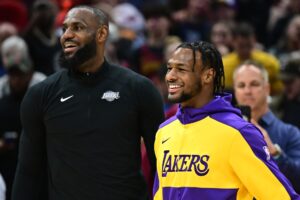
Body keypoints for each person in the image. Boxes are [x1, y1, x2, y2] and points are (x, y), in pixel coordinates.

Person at [12, 6, 164, 200]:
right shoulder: (40, 95)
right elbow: (28, 172)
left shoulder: (139, 89)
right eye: (65, 28)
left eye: (77, 27)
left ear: (101, 34)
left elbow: (161, 165)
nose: (67, 35)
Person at [153, 41, 300, 200]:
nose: (170, 76)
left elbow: (281, 196)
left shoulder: (238, 133)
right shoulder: (164, 132)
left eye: (181, 69)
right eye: (170, 68)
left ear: (208, 75)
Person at [233, 60, 300, 192]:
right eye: (241, 85)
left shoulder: (290, 133)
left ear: (267, 89)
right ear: (235, 91)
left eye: (254, 84)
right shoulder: (224, 130)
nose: (247, 91)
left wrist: (274, 152)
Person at [0, 35, 46, 200]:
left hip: (38, 163)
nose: (17, 80)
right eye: (13, 75)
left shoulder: (42, 87)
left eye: (21, 74)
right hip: (9, 165)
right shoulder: (2, 95)